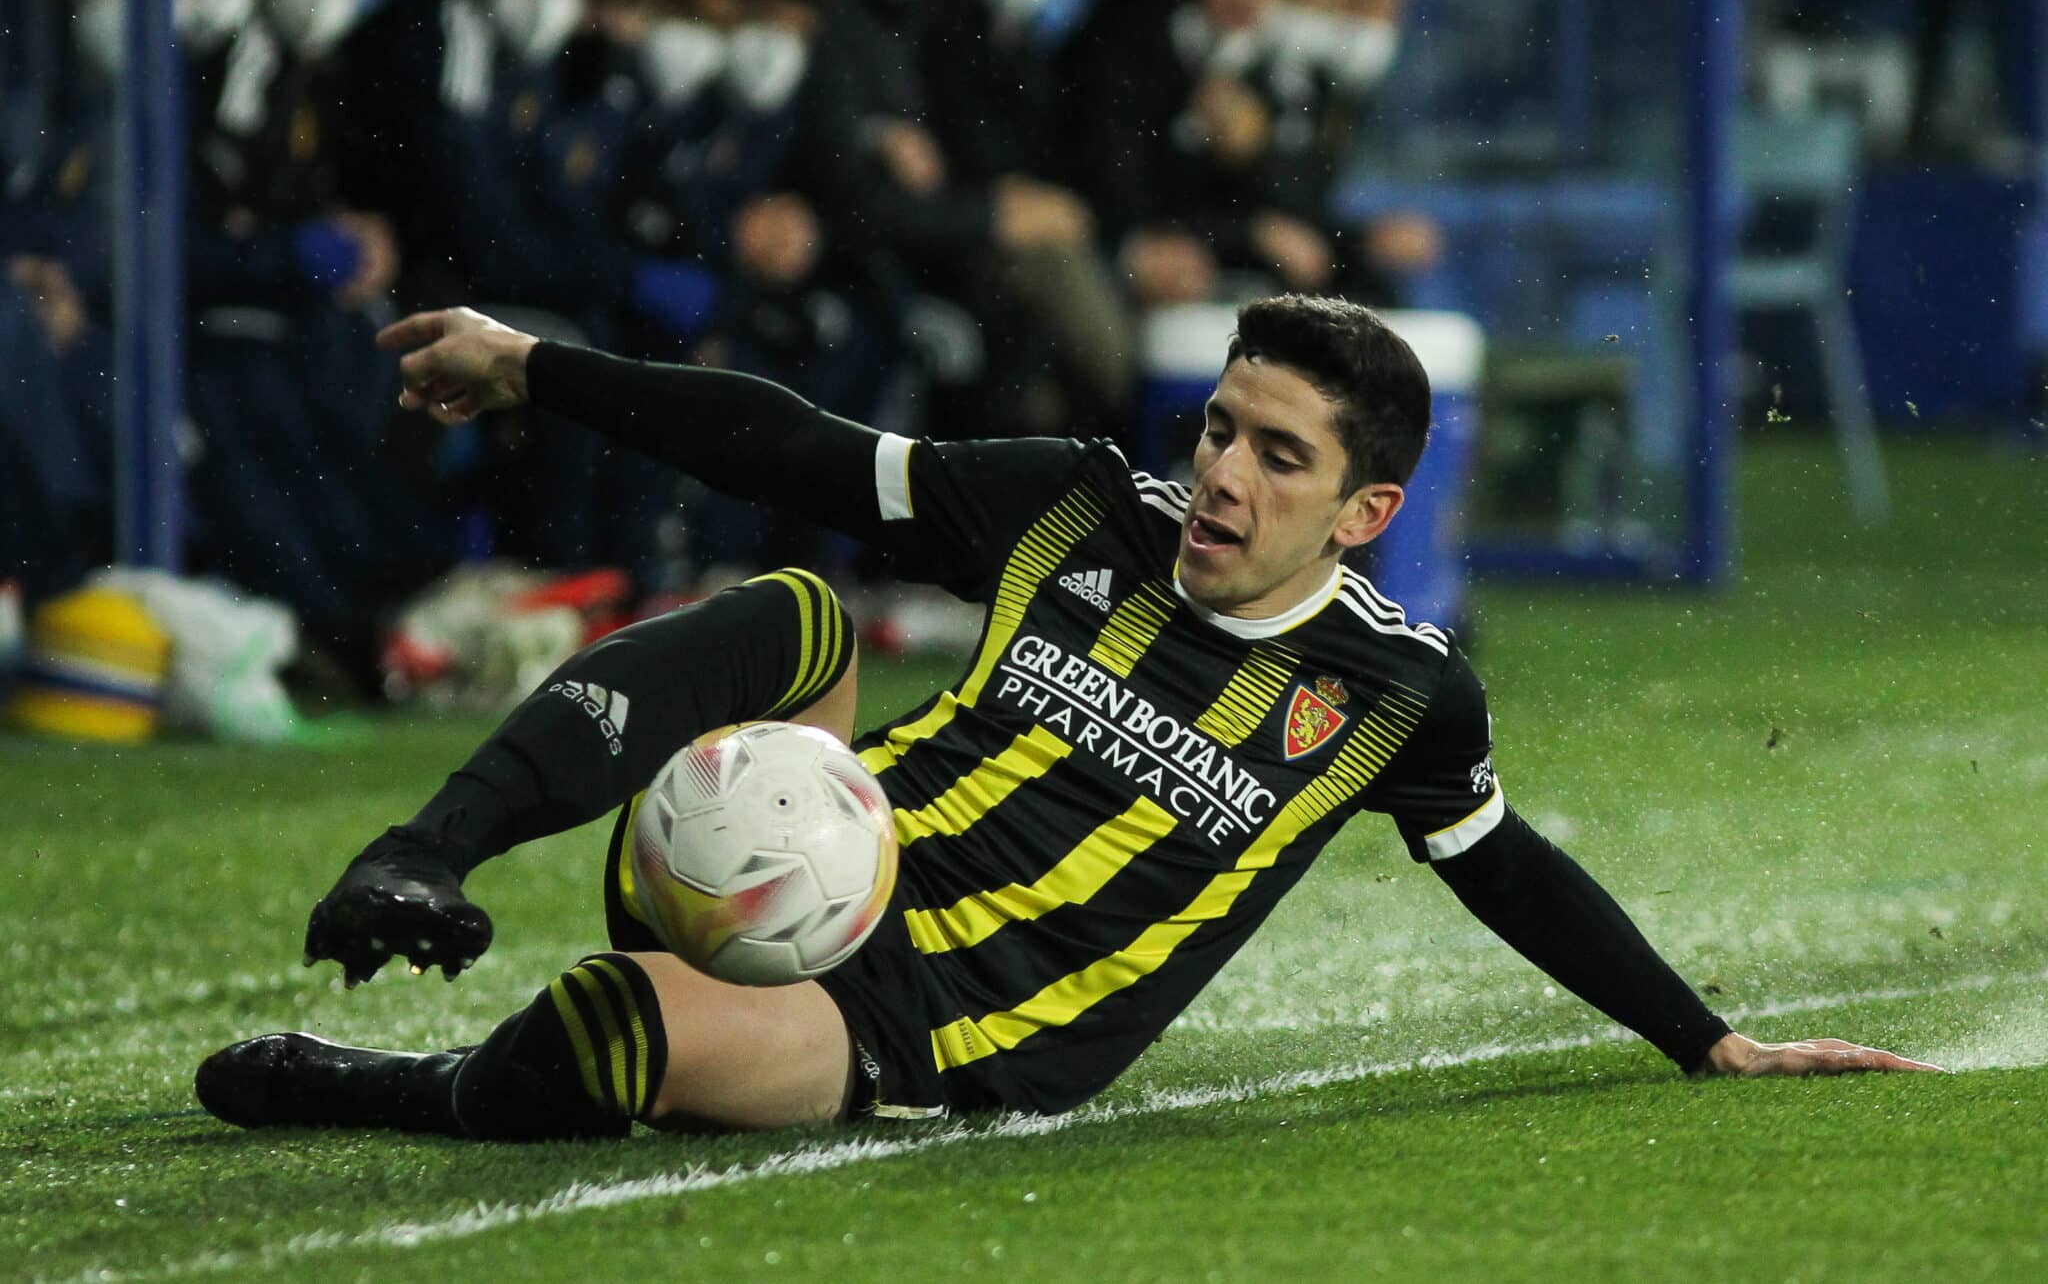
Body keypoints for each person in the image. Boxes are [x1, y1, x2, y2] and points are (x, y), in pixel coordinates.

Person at [195, 297, 1937, 1139]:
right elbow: (783, 443)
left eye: (1279, 455)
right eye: (1221, 429)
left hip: (935, 1026)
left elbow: (1504, 868)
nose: (1222, 475)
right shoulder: (1068, 506)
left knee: (598, 1036)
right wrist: (528, 363)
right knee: (801, 609)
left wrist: (1701, 1034)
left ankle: (404, 1084)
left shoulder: (1395, 690)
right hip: (782, 843)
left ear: (1366, 513)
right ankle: (423, 854)